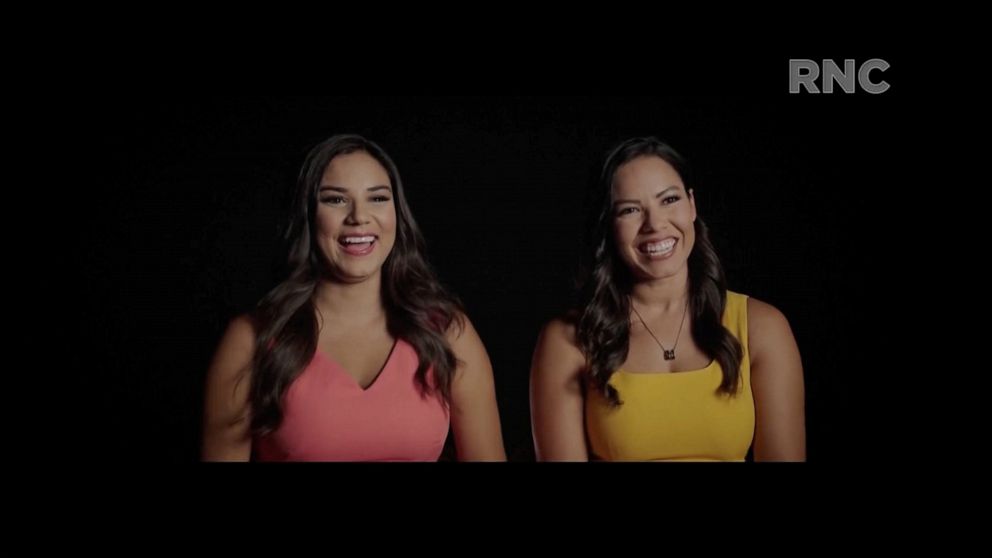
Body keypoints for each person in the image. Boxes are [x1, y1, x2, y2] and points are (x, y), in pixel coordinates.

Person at [202, 134, 506, 461]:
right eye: (335, 200)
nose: (359, 217)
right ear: (307, 213)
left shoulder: (448, 333)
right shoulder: (251, 341)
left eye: (378, 198)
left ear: (397, 214)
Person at [530, 137, 805, 461]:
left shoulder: (763, 327)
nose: (655, 225)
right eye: (630, 210)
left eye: (669, 200)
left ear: (692, 205)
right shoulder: (568, 340)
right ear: (608, 225)